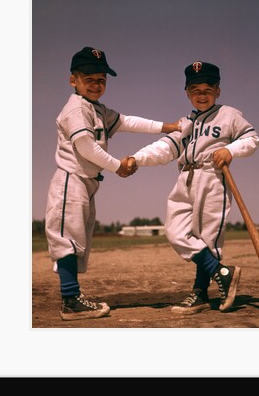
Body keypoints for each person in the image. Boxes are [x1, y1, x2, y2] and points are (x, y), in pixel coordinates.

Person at [44, 46, 181, 321]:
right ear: (74, 80)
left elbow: (127, 121)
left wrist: (166, 126)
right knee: (67, 240)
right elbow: (86, 147)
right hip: (71, 180)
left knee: (77, 240)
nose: (96, 84)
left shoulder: (95, 108)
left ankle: (73, 298)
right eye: (89, 78)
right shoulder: (75, 109)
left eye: (101, 79)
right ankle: (71, 302)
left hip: (86, 183)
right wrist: (118, 166)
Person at [127, 61, 259, 314]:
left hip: (212, 177)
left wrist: (230, 149)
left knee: (208, 238)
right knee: (175, 232)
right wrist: (137, 158)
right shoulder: (186, 122)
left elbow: (251, 138)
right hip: (185, 177)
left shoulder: (229, 115)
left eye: (208, 89)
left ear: (218, 91)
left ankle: (199, 293)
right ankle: (223, 273)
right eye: (195, 89)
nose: (202, 94)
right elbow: (165, 147)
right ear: (186, 92)